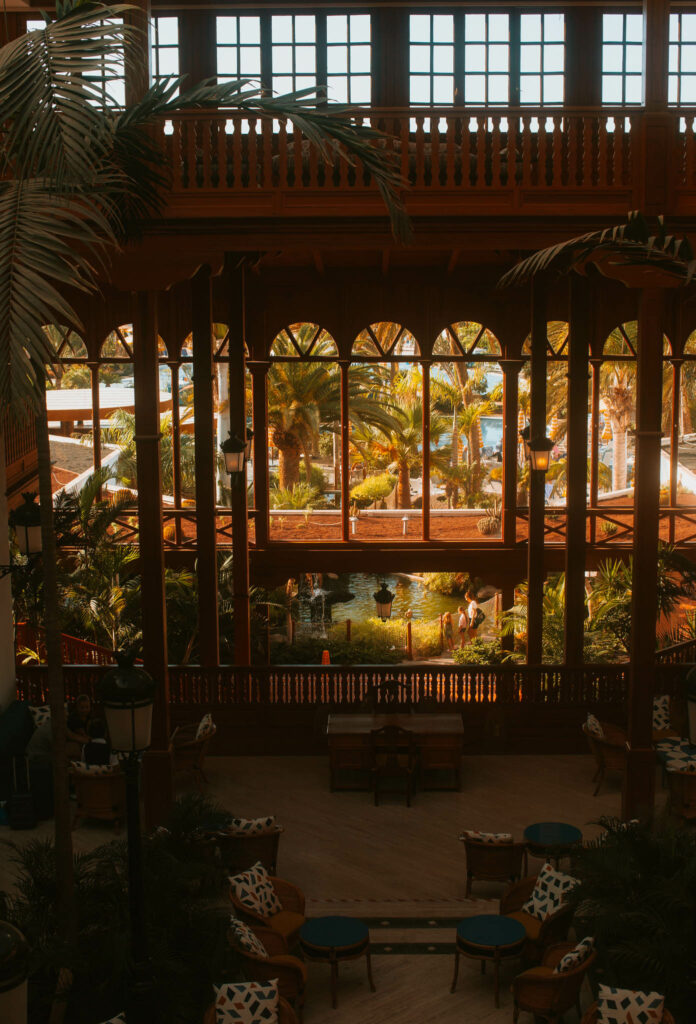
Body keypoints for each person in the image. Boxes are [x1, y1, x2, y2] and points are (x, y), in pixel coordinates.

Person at [66, 694, 92, 759]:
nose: (84, 710)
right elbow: (82, 734)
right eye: (82, 708)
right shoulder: (74, 718)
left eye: (87, 707)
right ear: (77, 707)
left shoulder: (90, 717)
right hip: (74, 740)